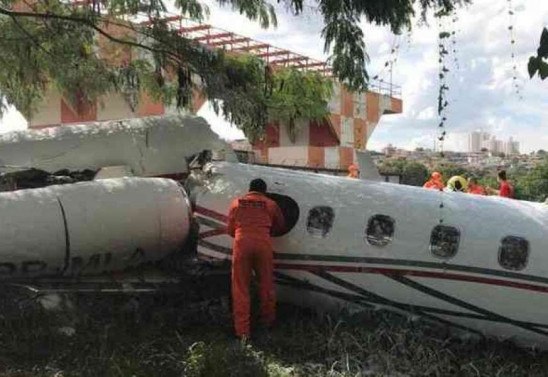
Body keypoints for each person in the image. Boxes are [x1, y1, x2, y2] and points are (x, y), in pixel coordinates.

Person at [227, 178, 285, 340]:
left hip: (242, 243)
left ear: (249, 189)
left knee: (240, 288)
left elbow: (230, 230)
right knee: (266, 285)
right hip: (263, 244)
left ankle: (242, 333)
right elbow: (280, 226)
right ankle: (267, 324)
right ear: (264, 191)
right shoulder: (271, 204)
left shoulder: (236, 203)